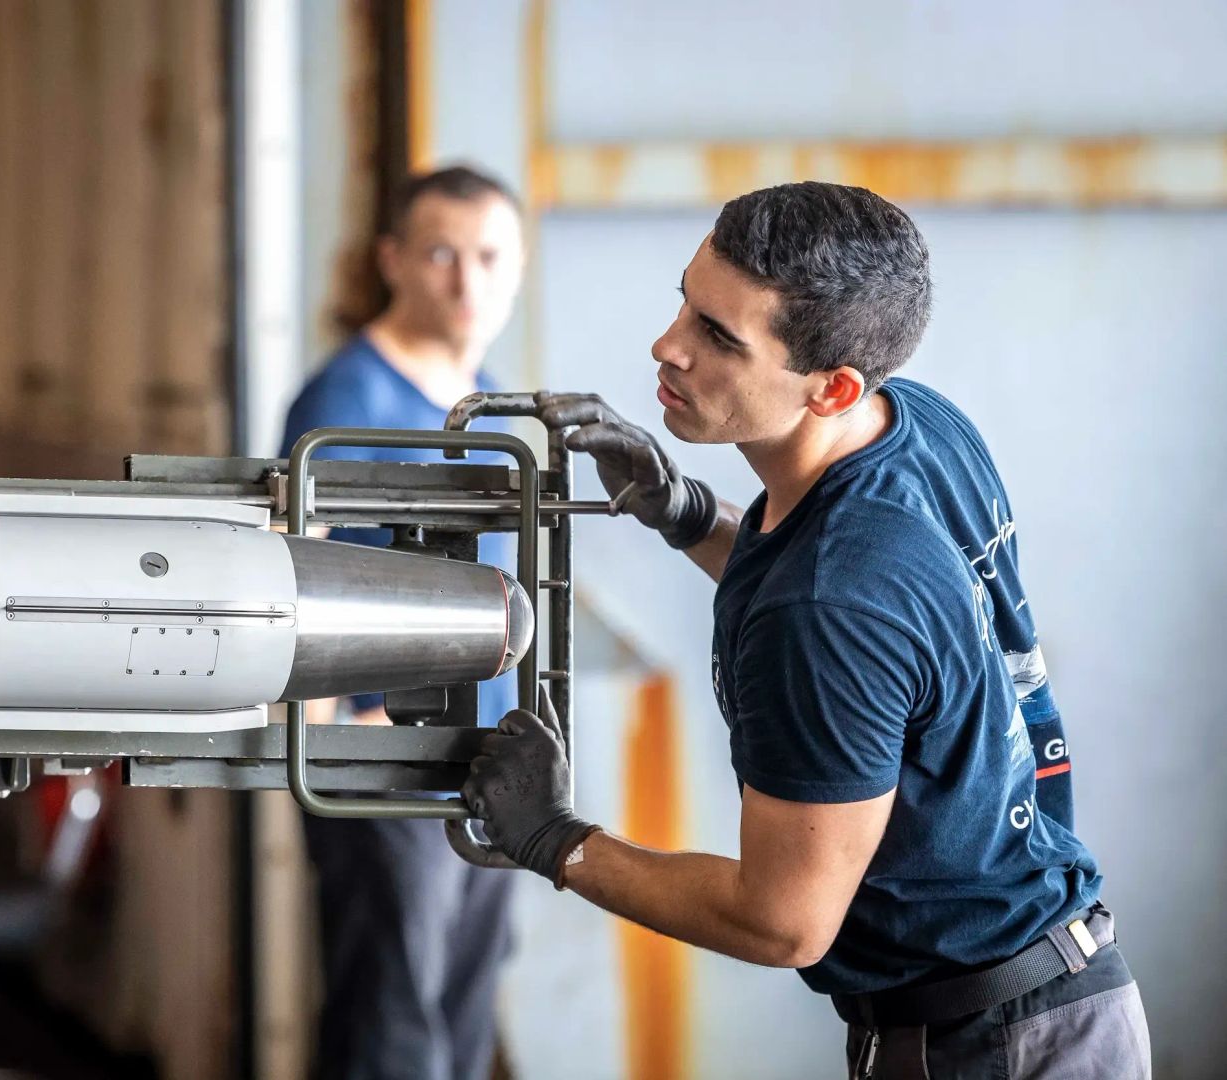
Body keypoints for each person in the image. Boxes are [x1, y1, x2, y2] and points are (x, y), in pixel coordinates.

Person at [463, 182, 1150, 1078]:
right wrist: (686, 513)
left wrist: (557, 840)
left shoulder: (830, 601)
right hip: (1049, 995)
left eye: (719, 338)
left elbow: (782, 920)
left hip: (995, 1046)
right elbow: (862, 626)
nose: (667, 346)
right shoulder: (915, 428)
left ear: (832, 388)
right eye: (687, 303)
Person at [280, 164, 526, 1080]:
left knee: (462, 1016)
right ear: (392, 261)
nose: (468, 282)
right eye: (440, 253)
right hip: (385, 774)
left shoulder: (482, 395)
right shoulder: (346, 402)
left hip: (481, 765)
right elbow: (289, 584)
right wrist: (333, 735)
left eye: (489, 256)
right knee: (391, 1024)